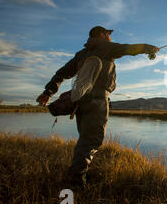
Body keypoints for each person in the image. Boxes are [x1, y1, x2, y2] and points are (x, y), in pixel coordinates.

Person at [36, 26, 159, 187]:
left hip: (80, 101)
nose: (110, 37)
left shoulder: (81, 54)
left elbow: (62, 73)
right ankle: (76, 180)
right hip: (98, 99)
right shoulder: (106, 47)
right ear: (102, 34)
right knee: (91, 140)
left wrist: (48, 91)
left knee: (85, 138)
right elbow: (129, 49)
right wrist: (150, 48)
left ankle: (78, 172)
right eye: (109, 34)